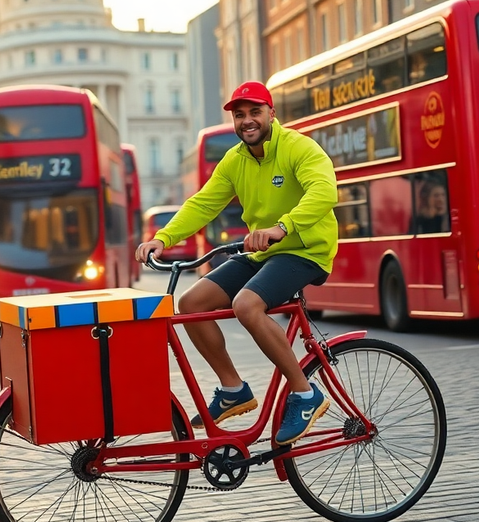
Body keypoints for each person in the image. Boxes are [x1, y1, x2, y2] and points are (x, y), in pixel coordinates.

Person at [135, 81, 338, 446]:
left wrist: (282, 227)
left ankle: (305, 394)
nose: (247, 121)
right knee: (191, 303)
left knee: (247, 305)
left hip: (305, 249)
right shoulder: (235, 159)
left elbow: (324, 192)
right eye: (240, 115)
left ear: (271, 113)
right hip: (263, 253)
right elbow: (203, 204)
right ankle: (233, 389)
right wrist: (163, 238)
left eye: (255, 112)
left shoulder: (298, 147)